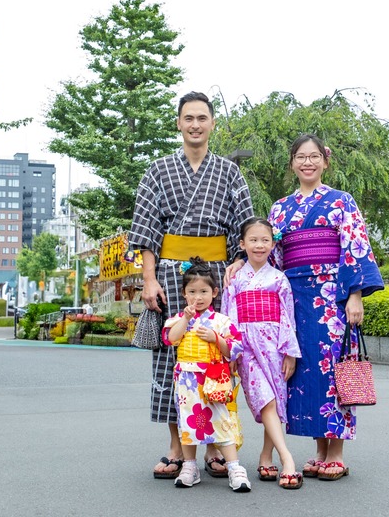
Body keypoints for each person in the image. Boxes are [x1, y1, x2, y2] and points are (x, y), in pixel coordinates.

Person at [128, 91, 255, 480]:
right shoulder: (158, 170)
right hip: (171, 277)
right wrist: (148, 280)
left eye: (202, 118)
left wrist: (236, 263)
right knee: (172, 359)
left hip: (216, 276)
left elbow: (245, 225)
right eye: (189, 118)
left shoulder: (230, 172)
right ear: (179, 123)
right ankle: (176, 447)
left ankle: (218, 443)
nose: (196, 124)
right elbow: (147, 230)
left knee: (217, 357)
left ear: (212, 124)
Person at [266, 133, 383, 481]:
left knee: (333, 369)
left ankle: (337, 452)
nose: (308, 162)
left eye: (314, 156)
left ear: (325, 161)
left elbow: (354, 246)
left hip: (332, 293)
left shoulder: (341, 201)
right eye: (301, 157)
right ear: (292, 163)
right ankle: (319, 450)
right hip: (295, 295)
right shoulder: (279, 208)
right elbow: (271, 256)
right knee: (305, 372)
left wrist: (356, 295)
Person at [221, 217, 303, 490]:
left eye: (265, 240)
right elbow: (227, 316)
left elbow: (288, 317)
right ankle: (286, 457)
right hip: (245, 347)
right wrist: (230, 352)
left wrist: (290, 352)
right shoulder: (235, 278)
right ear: (242, 244)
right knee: (265, 399)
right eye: (253, 240)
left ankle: (266, 456)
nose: (259, 245)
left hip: (274, 344)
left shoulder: (279, 279)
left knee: (276, 399)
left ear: (273, 243)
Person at [163, 259, 250, 492]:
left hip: (214, 379)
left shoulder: (221, 321)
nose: (198, 297)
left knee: (221, 422)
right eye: (192, 292)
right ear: (183, 294)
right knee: (187, 424)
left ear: (214, 292)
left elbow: (236, 348)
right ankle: (189, 465)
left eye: (203, 292)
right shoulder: (177, 319)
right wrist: (186, 319)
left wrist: (216, 338)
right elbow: (171, 339)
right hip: (187, 381)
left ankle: (234, 467)